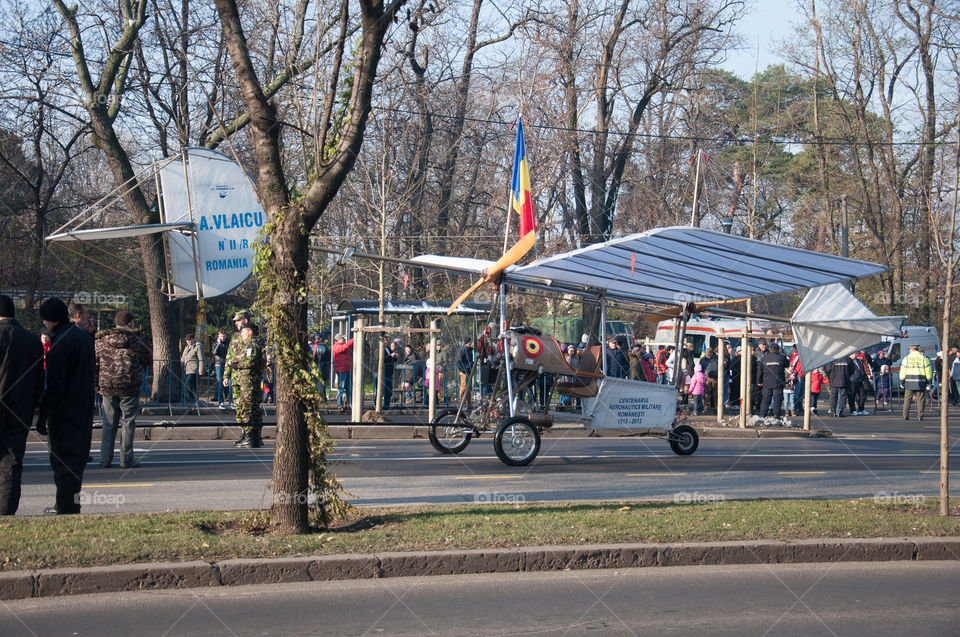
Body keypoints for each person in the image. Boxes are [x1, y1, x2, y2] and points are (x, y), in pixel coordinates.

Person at [36, 297, 96, 514]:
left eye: (45, 320)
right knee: (77, 460)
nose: (44, 324)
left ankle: (65, 506)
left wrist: (43, 415)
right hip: (84, 406)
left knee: (62, 461)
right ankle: (70, 502)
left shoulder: (61, 343)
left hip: (65, 410)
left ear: (52, 320)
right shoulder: (83, 338)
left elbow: (55, 385)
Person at [0, 295, 44, 515]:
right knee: (12, 461)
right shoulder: (31, 341)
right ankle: (6, 510)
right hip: (19, 409)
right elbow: (39, 379)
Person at [95, 310, 151, 469]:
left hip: (107, 386)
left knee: (108, 423)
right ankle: (126, 459)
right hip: (129, 386)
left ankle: (105, 459)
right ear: (129, 323)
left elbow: (95, 364)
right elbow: (146, 359)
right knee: (128, 423)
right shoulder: (136, 340)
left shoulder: (102, 340)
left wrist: (96, 385)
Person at [224, 322, 266, 447]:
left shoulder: (252, 344)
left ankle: (249, 437)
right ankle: (254, 436)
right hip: (245, 380)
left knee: (247, 407)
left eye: (243, 332)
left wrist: (236, 364)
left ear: (250, 332)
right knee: (251, 408)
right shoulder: (250, 344)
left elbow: (250, 361)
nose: (241, 334)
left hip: (247, 381)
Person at [900, 343, 933, 420]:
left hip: (909, 382)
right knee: (920, 399)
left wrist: (902, 381)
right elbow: (928, 371)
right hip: (920, 381)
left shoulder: (906, 359)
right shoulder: (924, 359)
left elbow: (903, 371)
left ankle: (905, 415)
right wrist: (929, 381)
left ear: (911, 349)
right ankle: (920, 415)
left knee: (907, 399)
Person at [332, 333, 355, 412]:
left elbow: (349, 347)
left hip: (348, 369)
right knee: (341, 388)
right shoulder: (336, 346)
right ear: (338, 339)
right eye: (342, 338)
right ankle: (339, 405)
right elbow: (343, 348)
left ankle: (350, 404)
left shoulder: (343, 345)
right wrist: (353, 339)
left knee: (349, 388)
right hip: (342, 370)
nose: (344, 339)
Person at [213, 329, 230, 408]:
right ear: (218, 336)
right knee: (220, 382)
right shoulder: (215, 344)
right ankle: (221, 401)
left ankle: (231, 401)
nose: (223, 338)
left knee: (229, 383)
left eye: (224, 336)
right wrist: (218, 344)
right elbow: (214, 352)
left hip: (227, 364)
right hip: (219, 364)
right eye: (221, 336)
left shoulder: (228, 343)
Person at [456, 338, 474, 409]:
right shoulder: (462, 350)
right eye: (471, 341)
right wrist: (463, 369)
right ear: (468, 342)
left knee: (469, 387)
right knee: (463, 387)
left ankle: (468, 404)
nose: (472, 342)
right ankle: (461, 403)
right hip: (464, 371)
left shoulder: (469, 350)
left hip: (469, 371)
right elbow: (458, 361)